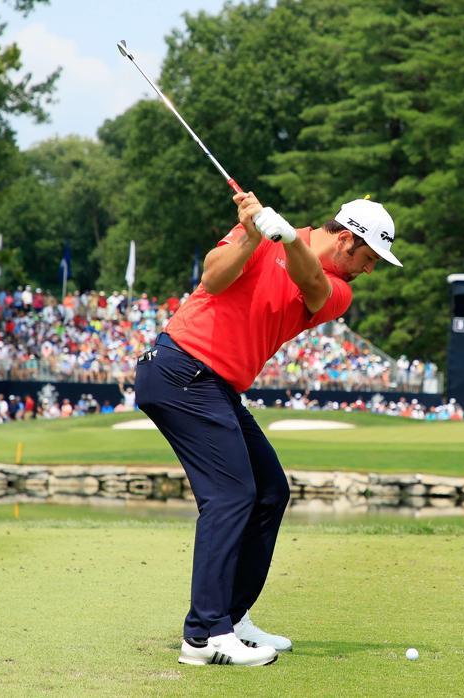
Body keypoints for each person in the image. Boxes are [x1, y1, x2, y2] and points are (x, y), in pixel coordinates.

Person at [135, 192, 400, 667]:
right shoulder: (259, 234)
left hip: (215, 386)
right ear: (346, 240)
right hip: (182, 371)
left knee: (269, 491)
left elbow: (312, 285)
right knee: (231, 496)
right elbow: (213, 278)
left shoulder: (338, 290)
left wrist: (286, 238)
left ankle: (233, 619)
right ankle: (204, 637)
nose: (370, 269)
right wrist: (253, 233)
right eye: (369, 257)